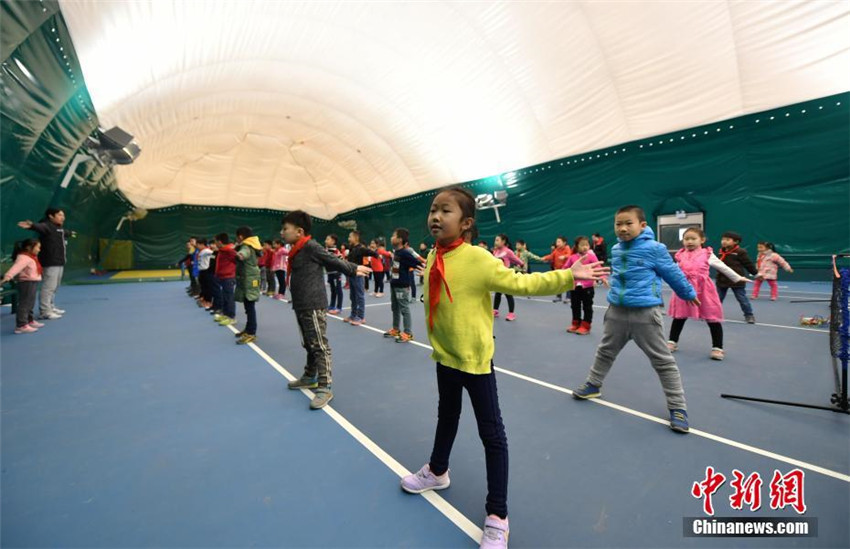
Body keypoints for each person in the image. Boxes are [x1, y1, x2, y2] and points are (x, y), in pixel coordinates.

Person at [400, 187, 607, 549]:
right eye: (433, 210)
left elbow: (520, 282)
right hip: (445, 357)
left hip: (475, 361)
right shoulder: (434, 255)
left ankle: (498, 515)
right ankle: (437, 470)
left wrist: (567, 276)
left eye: (445, 211)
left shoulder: (478, 258)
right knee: (446, 417)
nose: (435, 217)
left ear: (466, 223)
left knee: (492, 435)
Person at [572, 205, 697, 434]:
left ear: (642, 225)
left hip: (645, 315)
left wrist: (688, 293)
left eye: (628, 223)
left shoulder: (655, 249)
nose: (623, 228)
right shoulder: (617, 249)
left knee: (663, 361)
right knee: (605, 351)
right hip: (616, 312)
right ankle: (593, 384)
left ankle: (678, 408)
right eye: (618, 224)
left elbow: (672, 273)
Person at [282, 211, 371, 409]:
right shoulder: (296, 250)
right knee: (308, 343)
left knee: (319, 345)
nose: (282, 232)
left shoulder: (310, 246)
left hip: (313, 303)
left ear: (299, 231)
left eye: (285, 229)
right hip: (301, 304)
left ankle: (325, 386)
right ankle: (310, 376)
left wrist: (353, 268)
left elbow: (332, 259)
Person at [666, 228, 751, 361]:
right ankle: (672, 341)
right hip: (684, 289)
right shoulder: (680, 255)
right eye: (686, 239)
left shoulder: (707, 254)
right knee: (679, 317)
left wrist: (737, 278)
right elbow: (674, 271)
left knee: (712, 318)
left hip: (704, 290)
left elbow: (722, 267)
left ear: (702, 240)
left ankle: (717, 347)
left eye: (693, 238)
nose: (689, 241)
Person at [17, 208, 69, 319]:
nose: (62, 218)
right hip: (50, 262)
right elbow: (40, 227)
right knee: (48, 287)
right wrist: (32, 225)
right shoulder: (47, 226)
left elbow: (65, 233)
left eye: (63, 215)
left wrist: (71, 233)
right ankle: (45, 311)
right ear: (51, 216)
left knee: (55, 286)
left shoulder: (58, 228)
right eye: (60, 215)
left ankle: (50, 306)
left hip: (59, 261)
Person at [383, 228, 421, 342]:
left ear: (400, 239)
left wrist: (424, 270)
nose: (391, 238)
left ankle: (408, 333)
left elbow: (417, 263)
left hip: (402, 286)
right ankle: (396, 329)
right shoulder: (396, 252)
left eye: (393, 235)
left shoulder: (405, 253)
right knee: (395, 308)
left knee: (404, 309)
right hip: (394, 284)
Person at [563, 236, 605, 334]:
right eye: (582, 245)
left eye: (587, 245)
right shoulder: (572, 257)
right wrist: (563, 277)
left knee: (587, 306)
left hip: (588, 287)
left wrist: (602, 277)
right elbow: (565, 268)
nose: (585, 247)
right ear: (577, 246)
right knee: (575, 305)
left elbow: (598, 267)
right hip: (574, 287)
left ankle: (586, 326)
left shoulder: (591, 256)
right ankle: (575, 323)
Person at [1, 239, 45, 334]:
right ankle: (21, 325)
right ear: (29, 247)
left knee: (30, 303)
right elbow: (15, 268)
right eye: (37, 247)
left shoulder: (31, 256)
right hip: (26, 283)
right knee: (24, 303)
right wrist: (7, 277)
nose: (39, 249)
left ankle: (29, 320)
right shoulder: (23, 257)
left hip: (32, 282)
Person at [716, 231, 758, 323]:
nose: (724, 241)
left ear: (736, 242)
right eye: (723, 239)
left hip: (737, 280)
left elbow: (748, 264)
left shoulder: (740, 252)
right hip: (722, 280)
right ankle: (713, 314)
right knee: (717, 299)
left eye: (727, 240)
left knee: (742, 299)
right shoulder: (721, 251)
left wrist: (755, 273)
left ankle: (749, 315)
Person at [233, 227, 262, 344]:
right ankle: (248, 328)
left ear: (240, 236)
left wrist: (237, 254)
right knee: (248, 307)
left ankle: (251, 333)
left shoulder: (246, 246)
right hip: (250, 279)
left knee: (250, 307)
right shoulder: (252, 245)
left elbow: (242, 254)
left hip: (249, 280)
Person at [345, 231, 379, 325]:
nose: (348, 239)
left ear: (356, 238)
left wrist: (376, 254)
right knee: (352, 296)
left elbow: (370, 252)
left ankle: (361, 317)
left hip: (358, 275)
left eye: (350, 237)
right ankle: (353, 315)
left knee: (359, 296)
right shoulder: (351, 248)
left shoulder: (360, 248)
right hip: (351, 274)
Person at [491, 234, 524, 321]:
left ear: (503, 241)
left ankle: (511, 314)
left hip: (506, 276)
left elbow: (516, 259)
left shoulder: (508, 251)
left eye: (497, 240)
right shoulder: (495, 251)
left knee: (508, 294)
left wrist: (521, 264)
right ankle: (495, 310)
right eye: (495, 240)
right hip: (498, 277)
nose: (495, 242)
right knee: (498, 294)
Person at [213, 233, 238, 326]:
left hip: (228, 278)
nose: (215, 244)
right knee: (224, 297)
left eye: (215, 241)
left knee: (229, 297)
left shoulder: (229, 250)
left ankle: (231, 317)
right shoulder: (222, 250)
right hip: (222, 277)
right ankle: (226, 314)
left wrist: (232, 272)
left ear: (219, 242)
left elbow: (238, 261)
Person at [541, 236, 572, 302]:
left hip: (566, 270)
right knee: (559, 283)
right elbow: (551, 256)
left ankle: (568, 297)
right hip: (558, 270)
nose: (557, 243)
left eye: (559, 242)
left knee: (567, 283)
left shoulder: (567, 248)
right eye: (557, 242)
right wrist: (545, 258)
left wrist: (564, 256)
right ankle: (558, 297)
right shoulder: (556, 250)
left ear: (564, 243)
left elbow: (569, 255)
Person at [324, 234, 344, 314]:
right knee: (333, 290)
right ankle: (332, 305)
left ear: (333, 241)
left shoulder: (336, 251)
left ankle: (339, 307)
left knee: (338, 290)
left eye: (327, 239)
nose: (325, 241)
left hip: (336, 273)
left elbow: (341, 261)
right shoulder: (326, 250)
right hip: (330, 273)